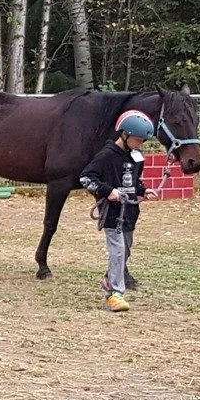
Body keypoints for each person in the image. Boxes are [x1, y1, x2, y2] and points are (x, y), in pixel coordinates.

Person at [78, 109, 152, 312]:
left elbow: (134, 182)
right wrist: (107, 191)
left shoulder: (137, 157)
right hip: (113, 214)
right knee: (118, 251)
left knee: (125, 250)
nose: (140, 145)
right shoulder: (106, 156)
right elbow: (86, 178)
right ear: (125, 134)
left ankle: (109, 279)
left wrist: (144, 190)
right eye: (138, 140)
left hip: (130, 213)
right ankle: (115, 294)